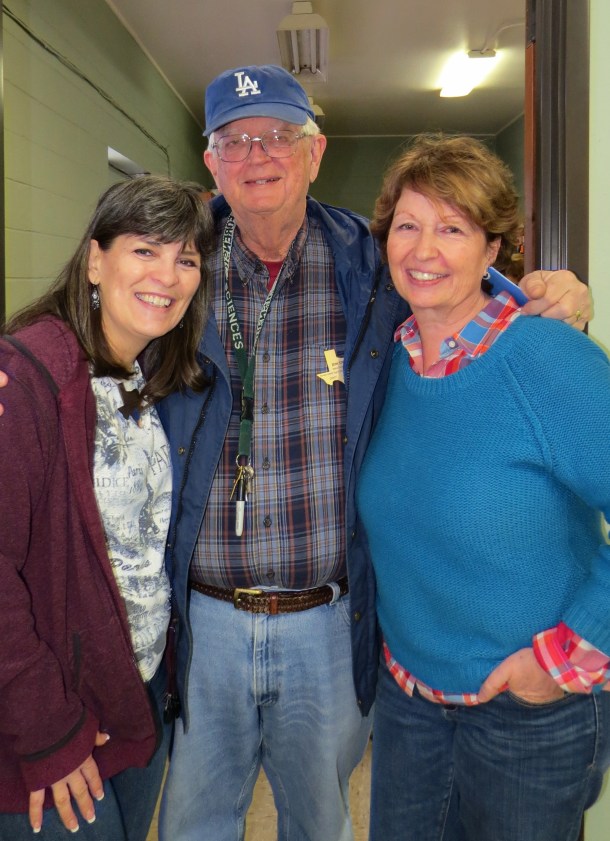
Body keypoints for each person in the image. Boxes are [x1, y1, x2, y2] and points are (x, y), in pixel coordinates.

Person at [153, 65, 592, 841]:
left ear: (315, 153)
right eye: (236, 140)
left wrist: (541, 293)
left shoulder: (365, 262)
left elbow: (446, 273)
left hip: (327, 618)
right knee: (194, 821)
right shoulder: (175, 266)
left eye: (281, 136)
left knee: (320, 822)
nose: (260, 154)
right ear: (210, 159)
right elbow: (103, 315)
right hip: (210, 617)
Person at [357, 133, 610, 841]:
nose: (424, 249)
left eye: (453, 228)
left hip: (529, 715)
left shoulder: (547, 357)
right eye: (408, 225)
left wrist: (562, 659)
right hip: (408, 707)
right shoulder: (390, 359)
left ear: (493, 249)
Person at [0, 175, 213, 840]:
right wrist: (46, 728)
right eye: (146, 250)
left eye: (186, 258)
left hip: (136, 695)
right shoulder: (29, 375)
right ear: (96, 259)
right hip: (53, 713)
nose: (168, 275)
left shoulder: (152, 377)